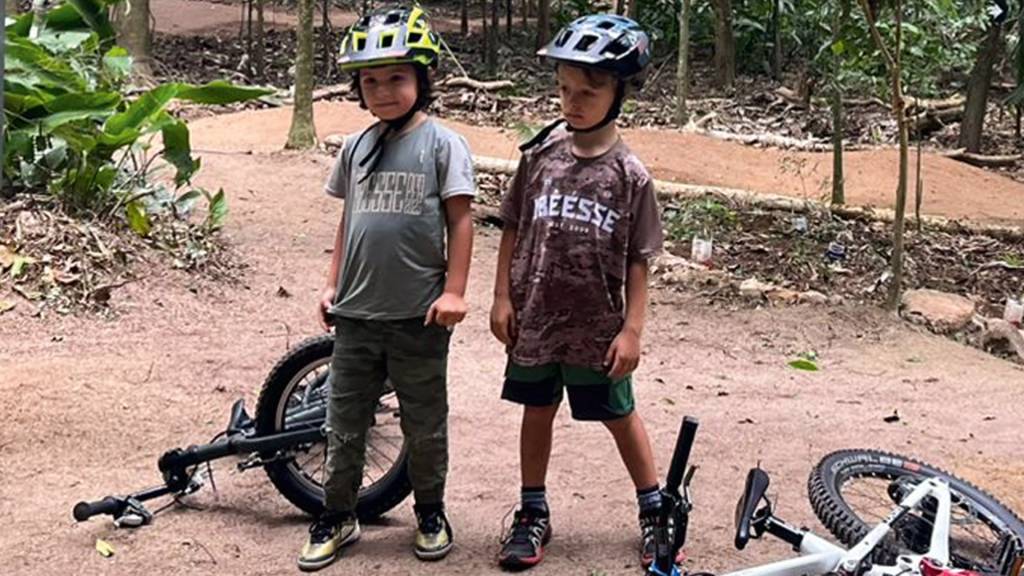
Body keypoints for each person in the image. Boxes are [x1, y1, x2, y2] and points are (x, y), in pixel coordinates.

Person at [297, 5, 476, 571]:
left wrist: (454, 291)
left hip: (418, 317)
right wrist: (331, 284)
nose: (382, 90)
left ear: (423, 80)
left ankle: (430, 509)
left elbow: (461, 220)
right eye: (370, 80)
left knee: (423, 422)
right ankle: (337, 513)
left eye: (396, 78)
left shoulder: (443, 145)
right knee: (343, 422)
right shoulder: (356, 147)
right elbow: (348, 219)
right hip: (356, 315)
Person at [490, 14, 671, 571]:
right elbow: (513, 225)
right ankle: (531, 511)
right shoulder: (540, 155)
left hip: (597, 328)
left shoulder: (629, 175)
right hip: (537, 322)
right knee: (536, 411)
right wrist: (502, 298)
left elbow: (640, 260)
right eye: (565, 88)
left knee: (620, 415)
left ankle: (654, 508)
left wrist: (632, 330)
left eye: (588, 91)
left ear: (619, 94)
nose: (573, 101)